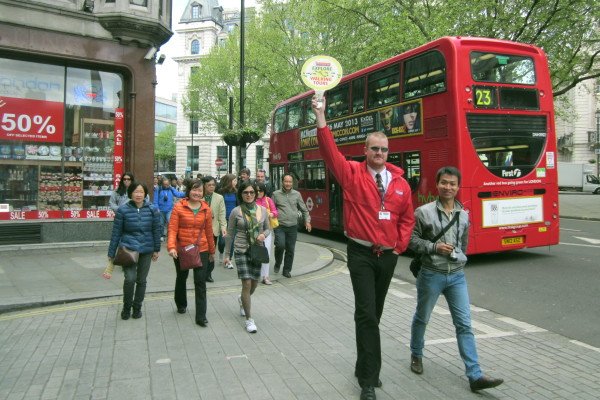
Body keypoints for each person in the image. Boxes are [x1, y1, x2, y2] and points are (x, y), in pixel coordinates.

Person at [312, 96, 415, 400]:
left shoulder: (400, 184)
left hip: (387, 257)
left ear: (388, 152)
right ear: (365, 151)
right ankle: (369, 380)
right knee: (367, 314)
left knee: (374, 315)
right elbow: (330, 154)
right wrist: (321, 117)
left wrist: (399, 248)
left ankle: (363, 366)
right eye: (374, 149)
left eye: (383, 149)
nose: (379, 153)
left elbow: (407, 218)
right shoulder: (352, 175)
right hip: (360, 254)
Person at [408, 166, 503, 393]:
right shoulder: (424, 212)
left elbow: (463, 243)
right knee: (422, 317)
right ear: (437, 184)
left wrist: (460, 259)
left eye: (452, 184)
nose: (448, 187)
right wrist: (433, 247)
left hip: (457, 276)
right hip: (431, 273)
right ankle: (416, 354)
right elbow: (410, 240)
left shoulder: (464, 214)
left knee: (464, 324)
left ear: (458, 187)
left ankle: (475, 374)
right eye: (444, 183)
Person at [107, 181, 161, 320]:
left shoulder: (152, 209)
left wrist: (156, 249)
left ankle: (137, 308)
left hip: (146, 249)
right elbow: (116, 233)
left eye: (141, 192)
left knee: (141, 280)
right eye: (135, 192)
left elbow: (156, 230)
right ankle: (126, 308)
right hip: (128, 249)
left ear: (145, 194)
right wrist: (111, 253)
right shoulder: (123, 210)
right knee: (130, 279)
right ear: (130, 193)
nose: (138, 195)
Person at [224, 181, 271, 333]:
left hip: (257, 250)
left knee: (254, 284)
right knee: (246, 284)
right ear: (241, 194)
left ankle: (242, 300)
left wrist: (263, 235)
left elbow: (268, 229)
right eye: (245, 192)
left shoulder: (263, 210)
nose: (249, 195)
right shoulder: (236, 212)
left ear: (255, 194)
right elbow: (230, 234)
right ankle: (249, 320)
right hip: (241, 250)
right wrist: (226, 255)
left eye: (251, 192)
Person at [167, 179, 215, 327]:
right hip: (182, 249)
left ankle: (201, 316)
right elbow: (173, 229)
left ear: (203, 192)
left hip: (202, 249)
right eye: (194, 190)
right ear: (188, 191)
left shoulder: (206, 209)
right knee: (182, 277)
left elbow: (208, 231)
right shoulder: (178, 207)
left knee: (200, 281)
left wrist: (212, 252)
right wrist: (171, 247)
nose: (197, 193)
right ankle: (181, 303)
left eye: (200, 191)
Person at [272, 174, 311, 278]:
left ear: (292, 183)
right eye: (286, 181)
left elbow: (304, 209)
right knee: (280, 245)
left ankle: (286, 270)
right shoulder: (275, 194)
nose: (288, 184)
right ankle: (277, 263)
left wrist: (307, 221)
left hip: (293, 226)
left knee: (290, 249)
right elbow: (272, 210)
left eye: (290, 182)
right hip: (280, 226)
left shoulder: (297, 194)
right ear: (282, 182)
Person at [202, 175, 227, 283]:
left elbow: (222, 213)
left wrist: (223, 227)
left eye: (213, 185)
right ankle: (201, 272)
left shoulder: (219, 197)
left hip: (213, 229)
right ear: (204, 186)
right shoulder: (199, 196)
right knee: (202, 252)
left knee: (211, 252)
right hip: (200, 230)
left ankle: (208, 273)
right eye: (209, 185)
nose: (211, 187)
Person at [255, 181, 278, 285]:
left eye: (261, 190)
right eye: (257, 191)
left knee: (266, 253)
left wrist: (271, 214)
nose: (259, 192)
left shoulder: (268, 200)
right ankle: (256, 275)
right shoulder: (252, 200)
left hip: (267, 231)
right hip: (254, 231)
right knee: (255, 253)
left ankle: (265, 276)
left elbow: (275, 212)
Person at [154, 177, 185, 241]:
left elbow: (178, 194)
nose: (166, 186)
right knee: (161, 224)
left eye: (167, 184)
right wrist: (157, 208)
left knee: (170, 223)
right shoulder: (158, 189)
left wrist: (187, 193)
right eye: (165, 184)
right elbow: (155, 200)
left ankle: (170, 236)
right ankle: (161, 235)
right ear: (162, 184)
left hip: (169, 210)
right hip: (160, 210)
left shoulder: (171, 189)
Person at [218, 173, 238, 268]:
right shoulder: (221, 192)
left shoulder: (237, 192)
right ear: (229, 182)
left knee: (231, 241)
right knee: (222, 241)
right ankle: (221, 253)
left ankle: (228, 260)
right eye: (234, 180)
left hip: (233, 219)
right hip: (223, 219)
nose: (236, 182)